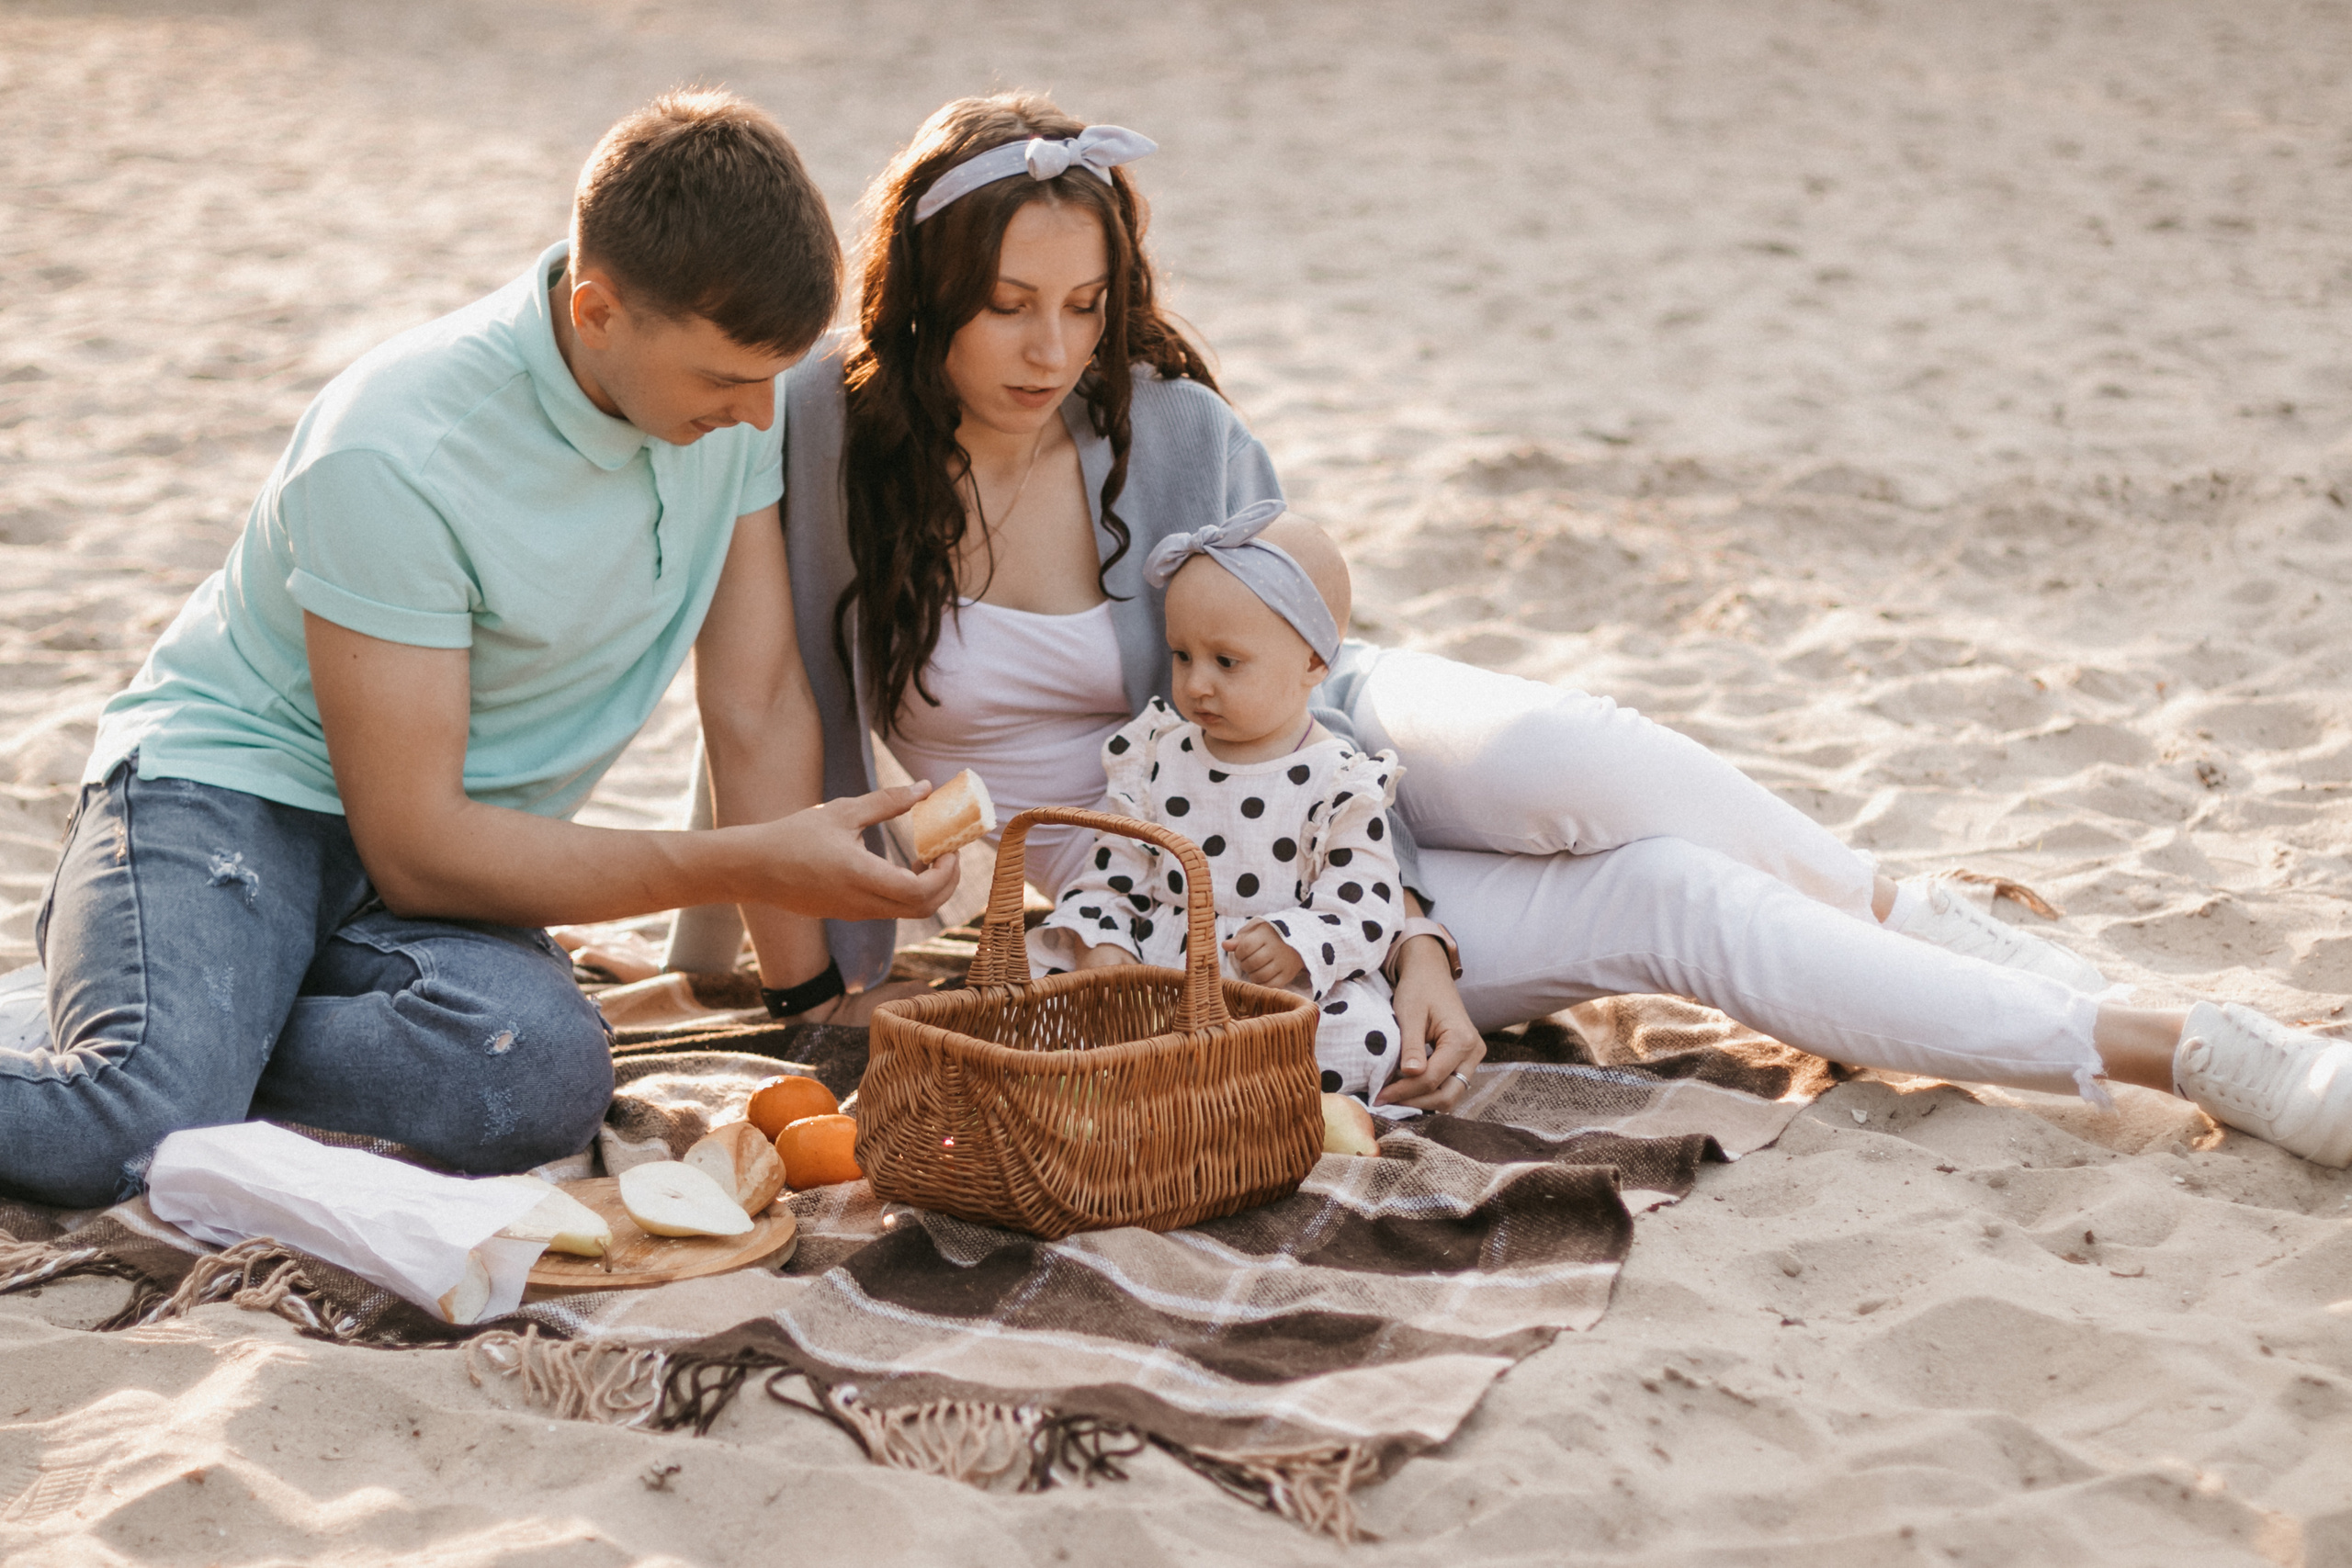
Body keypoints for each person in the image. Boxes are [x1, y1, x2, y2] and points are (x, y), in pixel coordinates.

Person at [669, 91, 2351, 1166]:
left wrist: (1410, 932)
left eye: (1085, 305)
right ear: (925, 298)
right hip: (1191, 896)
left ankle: (1940, 923)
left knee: (1569, 757)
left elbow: (1314, 692)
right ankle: (2174, 1045)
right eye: (1009, 308)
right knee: (1668, 901)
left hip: (1329, 774)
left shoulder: (1169, 432)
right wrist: (787, 978)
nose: (1053, 350)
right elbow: (759, 711)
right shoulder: (820, 438)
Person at [5, 91, 956, 1211]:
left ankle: (186, 1014)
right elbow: (419, 848)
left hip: (446, 864)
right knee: (121, 1127)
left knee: (537, 1077)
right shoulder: (394, 451)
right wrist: (743, 861)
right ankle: (164, 1032)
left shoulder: (729, 406)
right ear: (596, 312)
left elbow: (754, 703)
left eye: (772, 377)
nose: (759, 416)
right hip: (229, 800)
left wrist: (806, 999)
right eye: (723, 381)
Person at [1036, 503, 1417, 1108]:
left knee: (1361, 1037)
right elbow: (1111, 875)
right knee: (1048, 999)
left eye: (1226, 662)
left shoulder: (1340, 780)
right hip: (1157, 980)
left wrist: (1295, 941)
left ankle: (1227, 1096)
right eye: (1182, 655)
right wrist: (1106, 947)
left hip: (1268, 990)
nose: (1196, 684)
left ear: (1314, 662)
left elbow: (1366, 904)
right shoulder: (1155, 756)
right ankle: (1164, 1086)